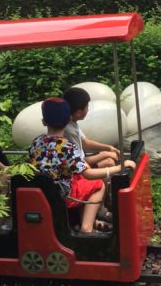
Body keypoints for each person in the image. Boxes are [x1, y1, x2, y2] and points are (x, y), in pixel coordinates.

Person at [29, 97, 135, 234]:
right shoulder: (67, 147)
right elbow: (88, 174)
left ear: (44, 122)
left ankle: (84, 220)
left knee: (82, 182)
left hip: (43, 190)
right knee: (98, 185)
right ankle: (87, 228)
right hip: (63, 194)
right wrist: (119, 167)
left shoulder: (36, 142)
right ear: (69, 119)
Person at [62, 86, 120, 168]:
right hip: (78, 167)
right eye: (87, 107)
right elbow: (79, 162)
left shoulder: (72, 123)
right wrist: (105, 154)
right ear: (79, 112)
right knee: (109, 162)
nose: (88, 109)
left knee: (109, 157)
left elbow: (85, 142)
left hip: (80, 160)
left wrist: (108, 148)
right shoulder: (69, 130)